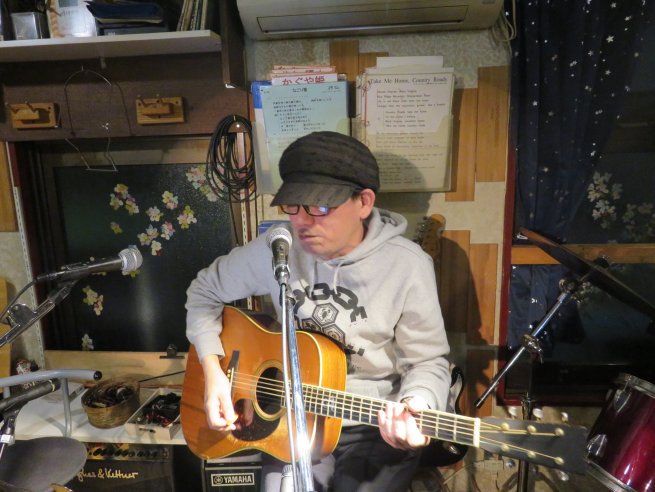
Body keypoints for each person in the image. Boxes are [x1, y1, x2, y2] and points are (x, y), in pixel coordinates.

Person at [186, 131, 451, 491]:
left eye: (319, 207)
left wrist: (415, 405)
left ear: (363, 203)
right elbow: (204, 291)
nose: (301, 222)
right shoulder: (278, 249)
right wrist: (213, 369)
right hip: (289, 417)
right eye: (292, 206)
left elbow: (428, 361)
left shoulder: (407, 266)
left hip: (372, 425)